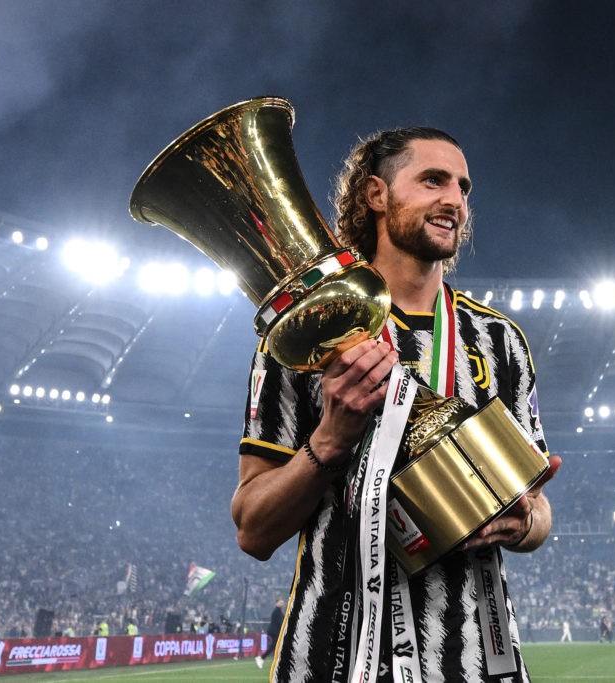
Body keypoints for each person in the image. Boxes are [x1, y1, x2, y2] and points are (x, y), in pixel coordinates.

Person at [233, 126, 561, 682]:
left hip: (476, 660)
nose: (454, 200)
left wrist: (525, 522)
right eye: (432, 180)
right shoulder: (304, 335)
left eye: (463, 187)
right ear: (375, 196)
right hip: (335, 657)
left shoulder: (499, 340)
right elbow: (252, 529)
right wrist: (329, 442)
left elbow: (539, 511)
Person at [256, 598, 285, 669]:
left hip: (275, 631)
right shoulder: (276, 611)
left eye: (282, 603)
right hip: (274, 631)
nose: (282, 604)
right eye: (280, 602)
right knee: (275, 645)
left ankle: (262, 658)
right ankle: (261, 658)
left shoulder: (279, 611)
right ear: (276, 603)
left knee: (276, 646)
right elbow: (280, 622)